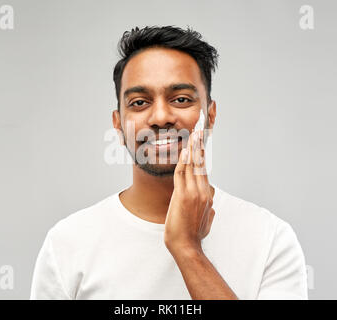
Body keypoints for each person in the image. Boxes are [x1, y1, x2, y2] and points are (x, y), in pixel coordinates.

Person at [30, 25, 308, 300]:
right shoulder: (67, 244)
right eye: (139, 103)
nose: (161, 117)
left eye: (181, 99)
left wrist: (187, 249)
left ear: (210, 115)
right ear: (118, 124)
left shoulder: (270, 239)